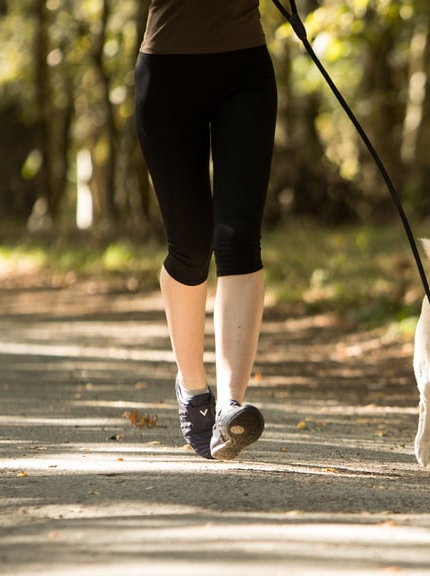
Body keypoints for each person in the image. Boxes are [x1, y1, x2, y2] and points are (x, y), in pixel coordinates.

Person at [134, 0, 277, 460]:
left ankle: (230, 406)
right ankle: (193, 386)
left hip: (245, 71)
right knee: (191, 245)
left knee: (238, 237)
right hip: (167, 74)